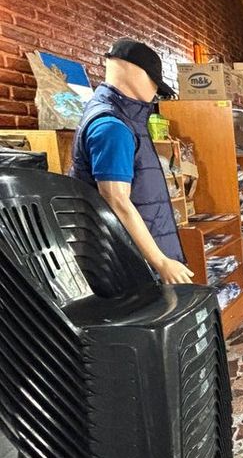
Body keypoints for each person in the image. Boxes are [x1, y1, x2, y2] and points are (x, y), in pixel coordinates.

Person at [70, 38, 193, 284]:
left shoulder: (125, 120)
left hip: (131, 256)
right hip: (127, 262)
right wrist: (161, 261)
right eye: (155, 83)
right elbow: (116, 200)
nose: (155, 92)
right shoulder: (112, 126)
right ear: (135, 73)